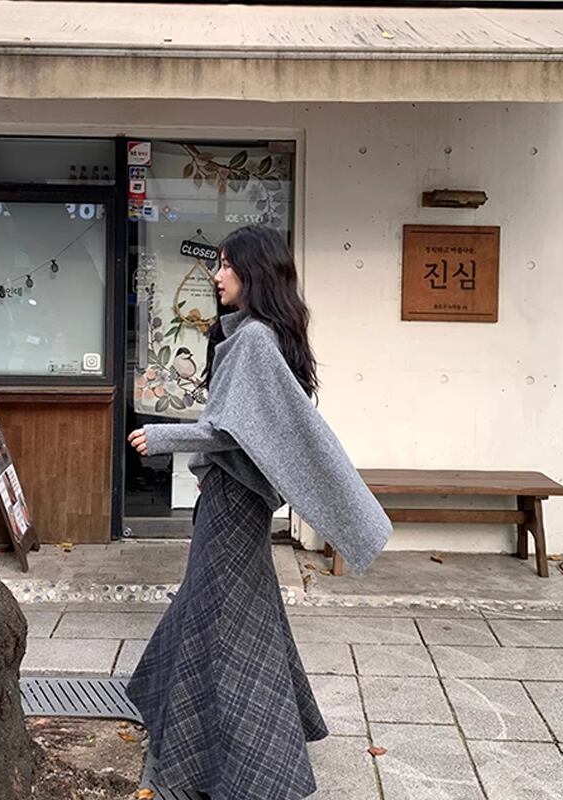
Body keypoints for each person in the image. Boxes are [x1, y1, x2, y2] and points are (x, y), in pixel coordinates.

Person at [126, 225, 392, 800]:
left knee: (225, 622)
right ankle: (194, 725)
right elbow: (247, 429)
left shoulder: (252, 340)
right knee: (228, 611)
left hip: (231, 503)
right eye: (218, 264)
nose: (216, 275)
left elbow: (231, 430)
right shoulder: (258, 335)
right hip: (235, 500)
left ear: (254, 273)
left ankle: (255, 765)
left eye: (226, 265)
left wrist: (163, 437)